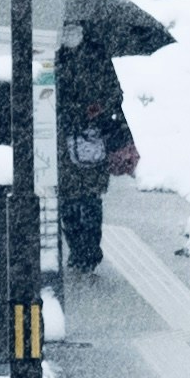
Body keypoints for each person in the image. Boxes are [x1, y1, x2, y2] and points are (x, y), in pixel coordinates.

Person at [54, 19, 138, 273]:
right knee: (68, 199)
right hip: (63, 138)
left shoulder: (96, 54)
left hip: (93, 136)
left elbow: (114, 94)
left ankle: (90, 250)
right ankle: (78, 250)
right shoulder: (53, 56)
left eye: (74, 28)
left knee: (90, 197)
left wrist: (96, 108)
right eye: (65, 28)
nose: (70, 33)